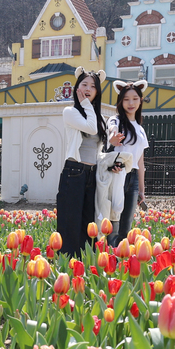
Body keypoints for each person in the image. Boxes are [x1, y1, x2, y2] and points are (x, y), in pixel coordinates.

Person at [56, 68, 121, 256]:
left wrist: (111, 148)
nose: (88, 88)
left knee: (88, 224)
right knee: (70, 223)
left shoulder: (99, 118)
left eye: (93, 86)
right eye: (84, 84)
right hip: (74, 172)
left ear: (98, 92)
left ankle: (83, 267)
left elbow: (98, 152)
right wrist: (85, 104)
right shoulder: (70, 112)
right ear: (77, 88)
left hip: (92, 175)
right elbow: (91, 129)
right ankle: (66, 267)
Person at [108, 80, 148, 247]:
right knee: (113, 220)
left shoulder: (140, 128)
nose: (131, 103)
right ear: (120, 101)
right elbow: (111, 131)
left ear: (140, 100)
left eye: (134, 99)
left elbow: (140, 160)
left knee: (127, 223)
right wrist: (113, 137)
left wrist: (141, 189)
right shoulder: (116, 121)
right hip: (117, 173)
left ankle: (120, 260)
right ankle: (109, 258)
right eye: (126, 99)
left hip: (133, 178)